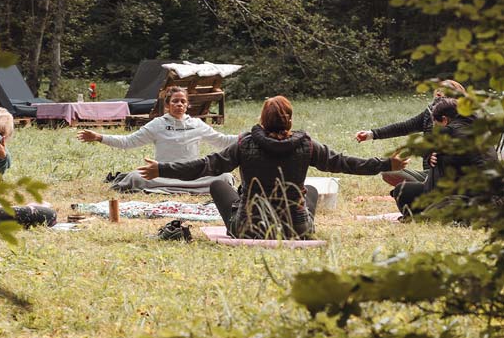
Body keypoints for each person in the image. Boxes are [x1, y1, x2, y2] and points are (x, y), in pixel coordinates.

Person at [137, 95, 409, 239]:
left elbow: (205, 166)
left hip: (248, 227)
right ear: (289, 120)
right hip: (296, 229)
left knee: (219, 183)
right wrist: (387, 163)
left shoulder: (244, 143)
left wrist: (162, 169)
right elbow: (346, 163)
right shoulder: (308, 145)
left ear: (263, 119)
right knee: (310, 189)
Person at [77, 86, 238, 193]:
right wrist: (99, 137)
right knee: (135, 177)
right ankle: (181, 187)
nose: (179, 104)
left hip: (192, 175)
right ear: (168, 105)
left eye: (183, 101)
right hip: (163, 175)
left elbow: (222, 141)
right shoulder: (158, 124)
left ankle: (181, 187)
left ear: (187, 105)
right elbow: (128, 141)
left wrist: (247, 136)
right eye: (175, 101)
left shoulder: (197, 124)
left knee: (225, 178)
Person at [392, 97, 496, 217]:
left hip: (465, 197)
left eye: (436, 124)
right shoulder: (479, 130)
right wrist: (430, 157)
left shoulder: (448, 132)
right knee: (404, 190)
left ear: (444, 120)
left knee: (403, 192)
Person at [355, 80, 466, 186]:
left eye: (445, 90)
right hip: (429, 174)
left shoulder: (462, 119)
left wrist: (442, 157)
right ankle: (423, 190)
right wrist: (371, 134)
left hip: (452, 177)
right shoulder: (429, 113)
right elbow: (405, 127)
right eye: (439, 89)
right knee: (388, 172)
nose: (439, 92)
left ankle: (425, 192)